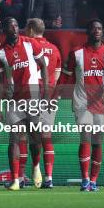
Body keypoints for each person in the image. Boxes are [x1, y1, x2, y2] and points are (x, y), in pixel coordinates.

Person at [59, 19, 104, 192]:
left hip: (101, 102)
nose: (97, 31)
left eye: (100, 28)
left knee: (97, 142)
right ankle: (84, 179)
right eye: (94, 28)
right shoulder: (76, 53)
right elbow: (67, 76)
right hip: (82, 101)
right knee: (85, 138)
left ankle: (93, 180)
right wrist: (57, 93)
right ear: (88, 32)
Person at [0, 16, 48, 191]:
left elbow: (44, 66)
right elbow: (0, 82)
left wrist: (45, 93)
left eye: (17, 25)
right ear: (5, 31)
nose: (15, 28)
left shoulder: (31, 43)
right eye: (11, 26)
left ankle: (36, 166)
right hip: (13, 99)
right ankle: (15, 179)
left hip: (32, 95)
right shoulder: (0, 53)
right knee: (14, 140)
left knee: (35, 137)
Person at [22, 18, 61, 189]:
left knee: (27, 136)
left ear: (30, 30)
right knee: (46, 137)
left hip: (30, 94)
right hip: (49, 96)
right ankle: (49, 178)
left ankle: (28, 172)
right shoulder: (54, 49)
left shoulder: (26, 45)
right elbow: (57, 75)